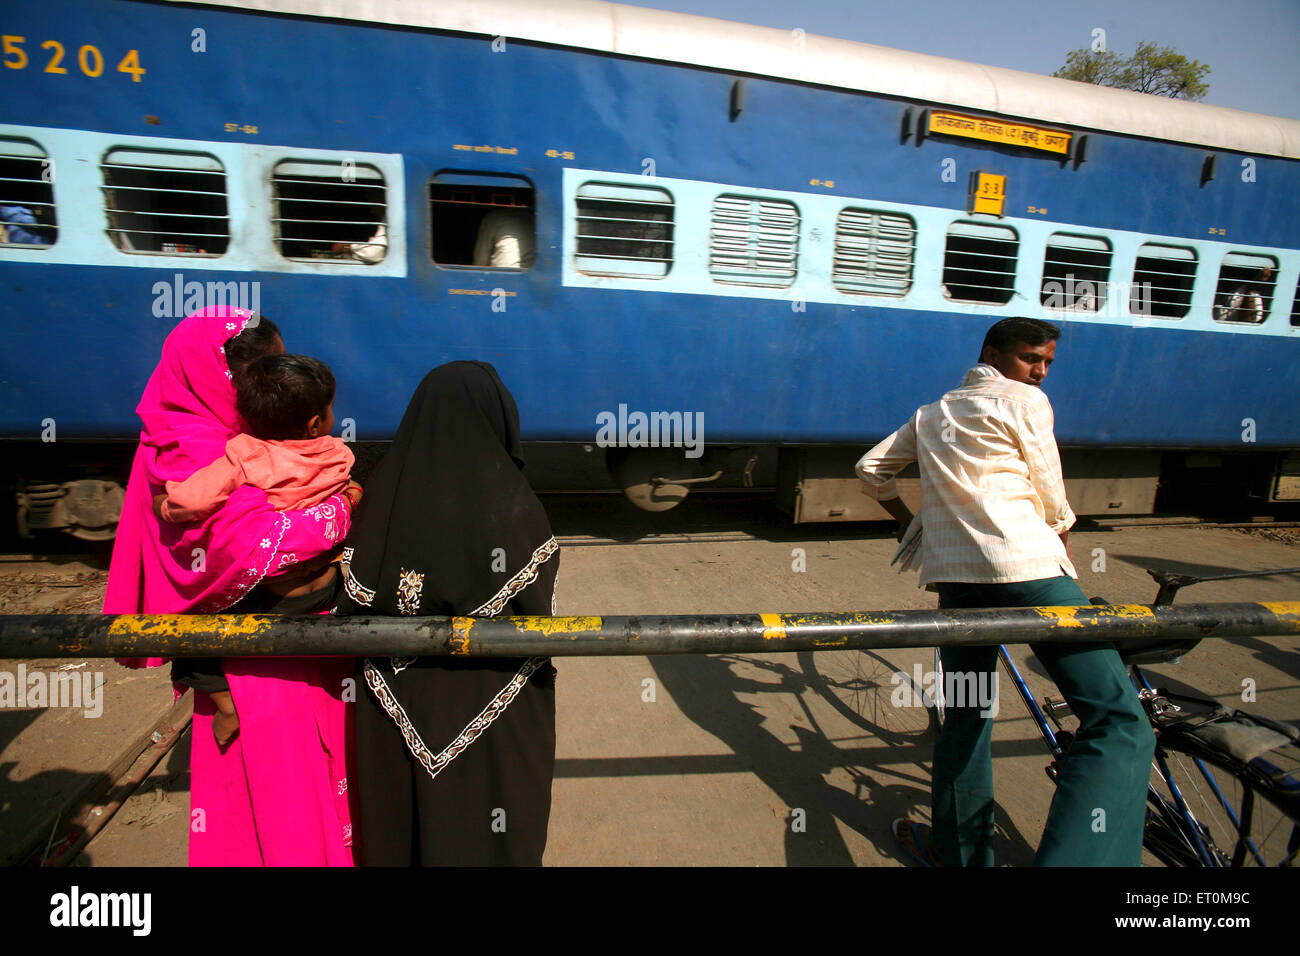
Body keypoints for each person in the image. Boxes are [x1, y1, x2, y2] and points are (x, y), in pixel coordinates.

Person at [855, 317, 1155, 867]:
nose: (1039, 371)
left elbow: (871, 468)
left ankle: (961, 856)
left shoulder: (931, 414)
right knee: (1117, 720)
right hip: (1032, 571)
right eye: (1029, 358)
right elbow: (1049, 486)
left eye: (1046, 362)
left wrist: (907, 520)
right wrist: (1062, 530)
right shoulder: (1023, 401)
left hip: (958, 584)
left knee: (967, 715)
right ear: (993, 354)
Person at [103, 305, 358, 866]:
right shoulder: (196, 447)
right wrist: (338, 514)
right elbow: (251, 546)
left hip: (261, 649)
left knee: (277, 790)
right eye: (265, 377)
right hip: (254, 663)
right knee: (282, 794)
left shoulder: (217, 436)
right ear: (229, 380)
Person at [337, 361, 559, 865]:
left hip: (389, 707)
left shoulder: (383, 496)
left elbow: (353, 597)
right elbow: (537, 616)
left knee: (401, 831)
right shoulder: (515, 507)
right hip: (494, 714)